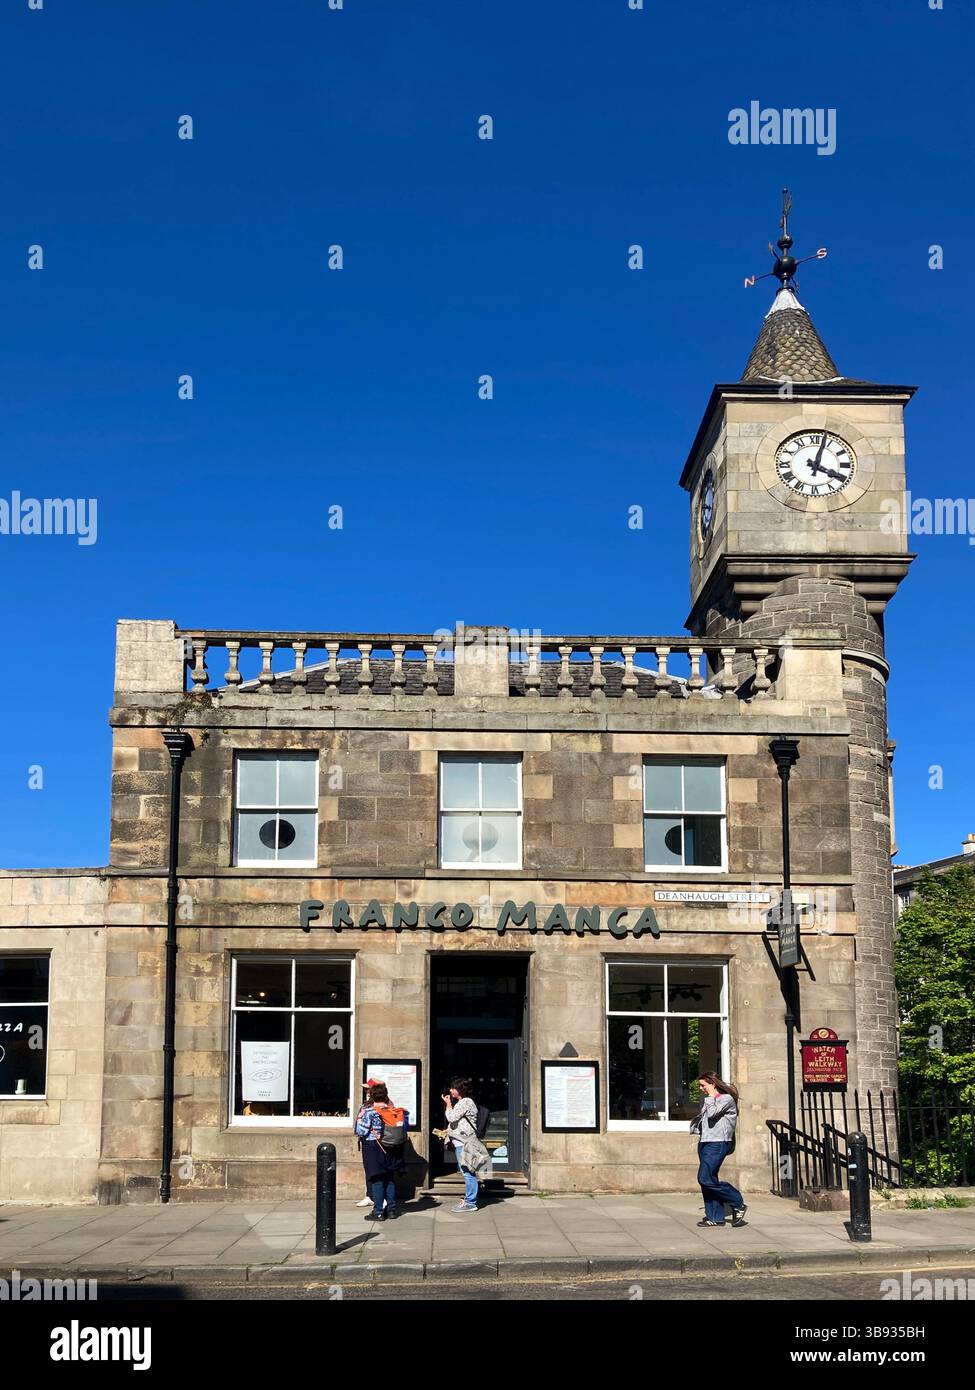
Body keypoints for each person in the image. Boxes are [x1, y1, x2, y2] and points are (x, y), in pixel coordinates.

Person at [690, 1071, 747, 1228]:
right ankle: (715, 1217)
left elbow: (713, 1114)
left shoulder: (726, 1099)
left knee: (704, 1178)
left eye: (703, 1085)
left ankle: (737, 1201)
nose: (701, 1088)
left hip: (718, 1143)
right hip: (706, 1143)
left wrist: (710, 1096)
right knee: (709, 1180)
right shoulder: (712, 1100)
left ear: (713, 1084)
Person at [355, 1081, 407, 1221]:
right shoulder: (392, 1110)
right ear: (385, 1096)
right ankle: (392, 1210)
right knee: (389, 1178)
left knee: (377, 1179)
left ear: (371, 1096)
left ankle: (378, 1211)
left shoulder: (369, 1112)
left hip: (373, 1147)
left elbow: (361, 1131)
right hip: (391, 1148)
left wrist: (359, 1119)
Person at [438, 1077, 492, 1213]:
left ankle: (471, 1202)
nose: (450, 1091)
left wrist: (448, 1104)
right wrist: (448, 1132)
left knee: (468, 1172)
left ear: (460, 1090)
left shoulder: (466, 1102)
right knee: (466, 1171)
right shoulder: (463, 1103)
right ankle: (469, 1200)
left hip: (464, 1143)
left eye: (453, 1088)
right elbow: (457, 1122)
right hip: (461, 1142)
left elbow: (451, 1117)